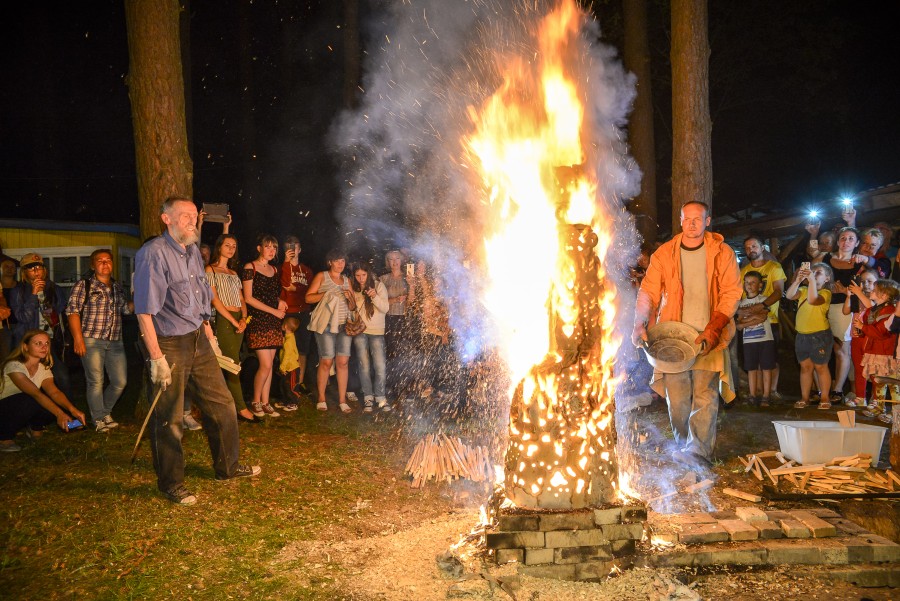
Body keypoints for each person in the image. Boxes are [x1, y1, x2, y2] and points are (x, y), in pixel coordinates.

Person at [134, 196, 259, 505]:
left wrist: (209, 334)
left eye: (193, 216)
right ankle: (171, 483)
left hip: (198, 339)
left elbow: (200, 296)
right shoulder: (153, 254)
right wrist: (156, 358)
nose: (191, 221)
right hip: (168, 343)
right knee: (170, 417)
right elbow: (144, 311)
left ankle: (227, 467)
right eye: (185, 216)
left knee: (223, 404)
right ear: (167, 219)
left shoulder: (191, 251)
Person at [632, 201, 742, 465]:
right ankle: (683, 445)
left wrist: (714, 328)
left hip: (708, 335)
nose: (692, 224)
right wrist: (639, 322)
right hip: (673, 338)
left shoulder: (722, 252)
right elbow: (648, 291)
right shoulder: (664, 254)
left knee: (705, 394)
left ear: (707, 221)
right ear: (680, 221)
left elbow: (731, 292)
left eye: (698, 219)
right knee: (678, 399)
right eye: (687, 219)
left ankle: (699, 451)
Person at [65, 249, 133, 432]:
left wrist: (139, 298)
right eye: (100, 260)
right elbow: (72, 311)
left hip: (115, 341)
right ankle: (98, 419)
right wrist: (78, 339)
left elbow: (125, 310)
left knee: (120, 382)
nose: (105, 263)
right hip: (91, 339)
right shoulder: (84, 285)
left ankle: (105, 412)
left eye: (108, 260)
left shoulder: (117, 287)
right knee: (95, 381)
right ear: (93, 265)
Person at [0, 329, 87, 452]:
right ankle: (4, 438)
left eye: (46, 343)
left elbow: (54, 392)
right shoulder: (14, 365)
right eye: (38, 343)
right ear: (25, 347)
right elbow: (35, 393)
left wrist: (72, 410)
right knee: (31, 399)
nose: (44, 347)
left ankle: (35, 428)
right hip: (4, 407)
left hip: (23, 405)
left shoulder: (43, 368)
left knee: (56, 401)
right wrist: (60, 414)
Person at [206, 234, 256, 423]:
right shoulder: (210, 270)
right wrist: (234, 322)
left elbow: (242, 299)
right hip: (224, 319)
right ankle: (242, 409)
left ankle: (227, 406)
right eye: (227, 245)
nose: (231, 249)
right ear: (219, 247)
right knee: (232, 364)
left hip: (238, 319)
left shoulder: (234, 273)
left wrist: (243, 318)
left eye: (234, 246)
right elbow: (215, 300)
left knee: (232, 364)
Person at [8, 253, 71, 394]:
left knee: (62, 377)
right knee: (28, 382)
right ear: (24, 272)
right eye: (31, 268)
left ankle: (67, 414)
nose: (36, 271)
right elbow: (23, 317)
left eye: (39, 267)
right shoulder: (17, 291)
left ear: (44, 270)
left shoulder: (55, 289)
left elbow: (61, 313)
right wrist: (33, 294)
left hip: (49, 342)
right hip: (26, 344)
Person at [817, 227, 866, 405]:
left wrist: (847, 290)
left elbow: (869, 282)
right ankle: (822, 389)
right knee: (822, 349)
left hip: (845, 308)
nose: (846, 241)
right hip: (824, 305)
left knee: (841, 350)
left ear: (857, 243)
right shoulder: (826, 259)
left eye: (851, 238)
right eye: (843, 238)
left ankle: (838, 389)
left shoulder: (859, 262)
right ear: (837, 242)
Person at [242, 235, 286, 418]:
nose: (271, 250)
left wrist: (280, 301)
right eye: (267, 247)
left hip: (273, 322)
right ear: (259, 248)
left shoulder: (274, 270)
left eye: (274, 248)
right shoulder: (249, 267)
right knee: (265, 364)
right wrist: (273, 311)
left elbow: (271, 294)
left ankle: (266, 402)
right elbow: (249, 298)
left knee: (271, 363)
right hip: (258, 320)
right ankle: (255, 401)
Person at [738, 236, 786, 401]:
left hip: (770, 319)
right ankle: (757, 392)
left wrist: (761, 307)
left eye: (754, 246)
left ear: (762, 247)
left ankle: (772, 391)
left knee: (771, 359)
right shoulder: (742, 272)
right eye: (747, 247)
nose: (751, 249)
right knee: (753, 359)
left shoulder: (774, 267)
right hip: (748, 324)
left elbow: (778, 291)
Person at [305, 249, 354, 413]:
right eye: (337, 261)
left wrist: (350, 299)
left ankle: (342, 400)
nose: (341, 264)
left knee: (343, 362)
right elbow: (308, 297)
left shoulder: (347, 281)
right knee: (326, 361)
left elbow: (353, 307)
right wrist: (325, 293)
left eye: (343, 261)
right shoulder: (322, 276)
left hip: (344, 325)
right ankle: (321, 398)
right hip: (326, 325)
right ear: (330, 262)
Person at [785, 263, 834, 409]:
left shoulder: (826, 293)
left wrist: (811, 280)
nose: (814, 273)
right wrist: (798, 280)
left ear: (827, 278)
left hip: (819, 336)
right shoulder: (803, 289)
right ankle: (804, 398)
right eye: (812, 271)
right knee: (805, 368)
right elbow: (789, 296)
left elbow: (813, 300)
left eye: (819, 272)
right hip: (802, 336)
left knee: (821, 367)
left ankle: (825, 397)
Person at [855, 279, 900, 423]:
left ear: (885, 295)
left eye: (875, 290)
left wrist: (863, 328)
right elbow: (870, 327)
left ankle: (896, 412)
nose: (871, 292)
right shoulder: (874, 309)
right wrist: (861, 331)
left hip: (886, 352)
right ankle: (879, 406)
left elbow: (882, 332)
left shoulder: (889, 311)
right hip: (875, 350)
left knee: (893, 383)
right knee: (878, 381)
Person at [350, 263, 390, 412]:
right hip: (361, 330)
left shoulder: (379, 286)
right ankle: (368, 397)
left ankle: (380, 397)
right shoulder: (354, 288)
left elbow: (385, 308)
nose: (361, 279)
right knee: (364, 365)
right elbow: (352, 309)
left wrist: (374, 296)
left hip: (377, 331)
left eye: (363, 275)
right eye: (357, 275)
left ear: (369, 274)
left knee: (380, 366)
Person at [735, 271, 776, 407]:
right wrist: (752, 316)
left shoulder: (764, 300)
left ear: (760, 285)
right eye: (747, 282)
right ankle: (752, 395)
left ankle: (766, 396)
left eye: (753, 282)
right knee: (751, 368)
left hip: (765, 339)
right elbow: (738, 324)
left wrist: (745, 320)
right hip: (749, 341)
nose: (749, 285)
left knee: (766, 368)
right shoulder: (741, 303)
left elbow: (762, 317)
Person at [279, 236, 314, 395]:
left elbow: (309, 291)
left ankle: (299, 383)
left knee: (303, 348)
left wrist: (296, 289)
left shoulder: (307, 270)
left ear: (300, 249)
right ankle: (285, 380)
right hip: (289, 312)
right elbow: (285, 285)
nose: (293, 250)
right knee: (287, 347)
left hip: (304, 311)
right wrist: (286, 262)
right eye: (289, 247)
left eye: (295, 247)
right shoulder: (283, 267)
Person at [379, 250, 411, 401]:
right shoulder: (383, 279)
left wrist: (413, 285)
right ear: (387, 262)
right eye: (391, 259)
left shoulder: (408, 278)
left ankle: (405, 387)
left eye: (397, 258)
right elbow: (379, 302)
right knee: (391, 353)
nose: (394, 261)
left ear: (402, 260)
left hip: (405, 319)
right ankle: (391, 387)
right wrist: (395, 300)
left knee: (405, 353)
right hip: (389, 318)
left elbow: (413, 302)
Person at [843, 268, 878, 407]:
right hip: (857, 337)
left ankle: (876, 399)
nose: (866, 284)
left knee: (875, 370)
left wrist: (858, 293)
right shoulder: (856, 297)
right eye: (863, 281)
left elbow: (872, 308)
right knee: (859, 368)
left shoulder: (878, 298)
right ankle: (860, 397)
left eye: (870, 281)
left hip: (871, 339)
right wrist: (849, 296)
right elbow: (846, 311)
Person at [277, 317, 304, 410]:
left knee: (291, 386)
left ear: (285, 326)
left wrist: (282, 367)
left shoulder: (288, 341)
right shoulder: (290, 337)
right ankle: (286, 401)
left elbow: (287, 355)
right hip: (289, 367)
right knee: (284, 384)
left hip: (291, 368)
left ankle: (293, 402)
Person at [0, 257, 13, 359]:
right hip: (3, 325)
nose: (9, 269)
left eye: (12, 267)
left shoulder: (21, 286)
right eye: (6, 266)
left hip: (18, 325)